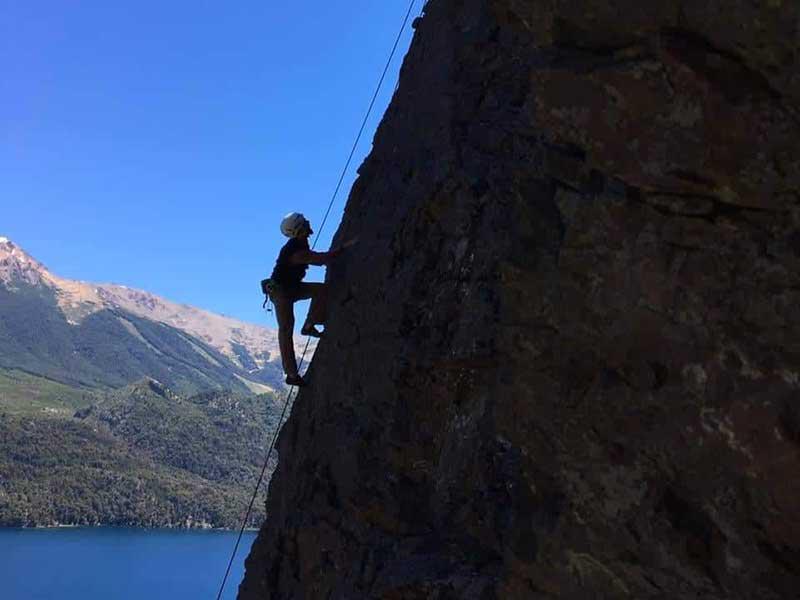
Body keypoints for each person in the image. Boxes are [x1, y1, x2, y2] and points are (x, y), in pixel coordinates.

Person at [270, 212, 339, 387]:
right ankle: (292, 374)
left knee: (322, 291)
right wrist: (338, 252)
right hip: (281, 293)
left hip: (289, 288)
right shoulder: (294, 251)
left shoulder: (299, 243)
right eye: (304, 222)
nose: (308, 222)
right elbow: (318, 259)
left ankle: (310, 325)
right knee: (286, 330)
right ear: (299, 229)